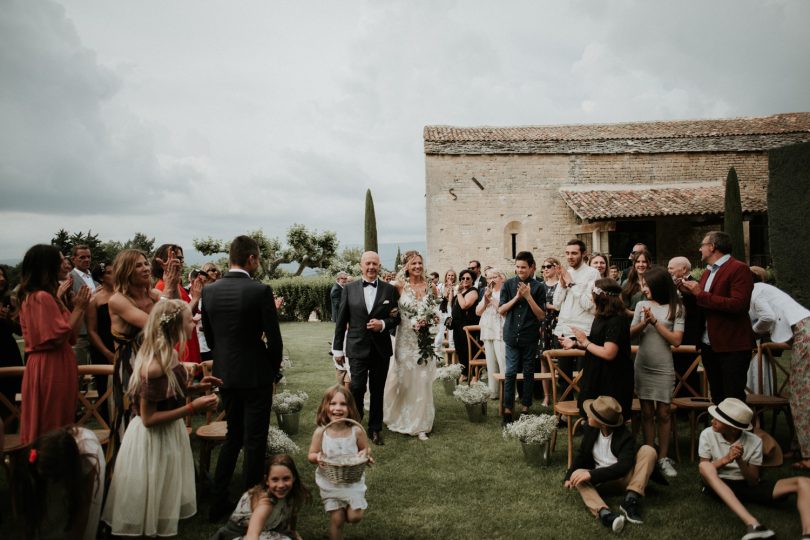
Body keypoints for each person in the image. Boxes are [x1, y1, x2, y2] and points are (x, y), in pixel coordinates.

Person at [102, 300, 220, 536]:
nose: (194, 322)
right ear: (175, 326)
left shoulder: (171, 353)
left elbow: (169, 393)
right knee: (150, 497)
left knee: (163, 492)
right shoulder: (154, 366)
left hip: (168, 432)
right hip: (152, 438)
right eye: (190, 319)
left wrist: (195, 389)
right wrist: (192, 408)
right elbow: (148, 418)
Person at [202, 235, 284, 521]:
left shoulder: (209, 292)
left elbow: (211, 339)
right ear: (251, 259)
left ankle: (218, 500)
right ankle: (251, 504)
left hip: (225, 375)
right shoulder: (260, 290)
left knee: (232, 436)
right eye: (258, 258)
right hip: (256, 375)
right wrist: (272, 370)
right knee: (255, 440)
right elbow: (274, 341)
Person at [698, 397, 810, 540]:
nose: (713, 421)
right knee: (704, 466)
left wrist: (740, 460)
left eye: (718, 420)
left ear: (732, 428)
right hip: (719, 482)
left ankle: (808, 534)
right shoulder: (707, 434)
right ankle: (754, 525)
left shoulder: (755, 441)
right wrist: (726, 459)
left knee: (804, 482)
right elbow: (704, 472)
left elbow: (753, 481)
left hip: (746, 485)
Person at [18, 244, 91, 444]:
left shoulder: (49, 297)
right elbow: (58, 336)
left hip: (60, 362)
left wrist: (77, 309)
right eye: (60, 260)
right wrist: (79, 308)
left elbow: (71, 335)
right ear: (47, 265)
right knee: (51, 419)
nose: (65, 264)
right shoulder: (40, 297)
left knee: (62, 416)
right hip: (49, 366)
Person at [108, 248, 180, 443]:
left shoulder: (155, 294)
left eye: (146, 263)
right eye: (138, 265)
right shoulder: (118, 300)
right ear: (126, 271)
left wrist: (173, 286)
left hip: (156, 361)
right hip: (131, 365)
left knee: (161, 408)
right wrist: (167, 292)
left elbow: (178, 316)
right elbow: (154, 324)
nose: (145, 268)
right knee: (134, 413)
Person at [332, 251, 399, 446]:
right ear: (361, 266)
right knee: (357, 387)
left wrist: (383, 324)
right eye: (368, 263)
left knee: (378, 390)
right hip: (356, 347)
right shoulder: (349, 289)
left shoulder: (389, 290)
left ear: (379, 266)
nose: (371, 267)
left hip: (381, 349)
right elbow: (341, 321)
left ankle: (375, 429)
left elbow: (395, 317)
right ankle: (355, 425)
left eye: (375, 264)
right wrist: (338, 350)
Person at [564, 396, 659, 533]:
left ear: (603, 423)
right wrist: (569, 477)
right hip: (603, 483)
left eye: (591, 414)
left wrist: (591, 474)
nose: (587, 416)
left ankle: (630, 499)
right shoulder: (591, 430)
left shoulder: (625, 437)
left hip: (626, 479)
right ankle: (605, 514)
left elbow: (622, 468)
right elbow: (582, 454)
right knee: (577, 475)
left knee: (648, 450)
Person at [679, 231, 754, 404]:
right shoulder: (707, 272)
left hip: (732, 345)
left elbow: (739, 305)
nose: (700, 249)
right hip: (709, 344)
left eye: (703, 245)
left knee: (733, 397)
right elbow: (705, 303)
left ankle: (735, 430)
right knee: (717, 395)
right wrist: (691, 294)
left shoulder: (739, 268)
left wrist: (700, 294)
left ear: (712, 247)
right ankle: (717, 429)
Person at [748, 266, 810, 471]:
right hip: (803, 332)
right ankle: (798, 446)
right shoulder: (761, 290)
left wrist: (752, 334)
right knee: (798, 394)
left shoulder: (755, 292)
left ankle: (808, 455)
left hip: (804, 335)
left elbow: (767, 318)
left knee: (802, 397)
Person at [629, 266, 684, 478]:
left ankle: (663, 457)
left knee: (663, 413)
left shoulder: (676, 307)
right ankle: (648, 454)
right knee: (647, 413)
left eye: (647, 285)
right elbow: (631, 335)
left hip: (663, 367)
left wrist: (655, 323)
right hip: (643, 365)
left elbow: (677, 341)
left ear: (659, 285)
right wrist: (644, 322)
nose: (644, 289)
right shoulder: (642, 305)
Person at [383, 251, 440, 440]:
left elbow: (434, 311)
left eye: (419, 263)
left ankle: (421, 424)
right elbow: (387, 307)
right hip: (404, 339)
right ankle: (399, 415)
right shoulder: (398, 286)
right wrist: (390, 313)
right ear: (406, 266)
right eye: (413, 263)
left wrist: (431, 320)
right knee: (404, 380)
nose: (417, 266)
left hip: (422, 341)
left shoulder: (430, 287)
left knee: (422, 381)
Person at [561, 278, 633, 421]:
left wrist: (585, 342)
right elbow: (597, 343)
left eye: (592, 293)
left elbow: (609, 353)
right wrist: (576, 343)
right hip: (597, 373)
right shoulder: (601, 316)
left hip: (611, 377)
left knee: (607, 418)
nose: (591, 297)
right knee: (593, 417)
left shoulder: (616, 320)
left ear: (601, 297)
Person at [16, 426, 105, 540]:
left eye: (54, 478)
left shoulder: (87, 459)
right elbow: (24, 510)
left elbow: (83, 510)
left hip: (79, 467)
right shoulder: (30, 459)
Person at [308, 386, 373, 540]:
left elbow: (366, 449)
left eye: (343, 404)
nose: (337, 408)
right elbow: (311, 454)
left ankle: (346, 510)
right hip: (330, 481)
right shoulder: (321, 432)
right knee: (337, 519)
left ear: (350, 407)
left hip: (352, 481)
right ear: (325, 406)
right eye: (333, 403)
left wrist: (366, 454)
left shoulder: (356, 431)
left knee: (354, 517)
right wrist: (317, 457)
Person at [211, 454, 310, 540]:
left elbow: (292, 514)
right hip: (240, 534)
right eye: (275, 479)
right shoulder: (265, 502)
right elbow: (252, 534)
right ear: (267, 480)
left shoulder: (292, 494)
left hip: (267, 530)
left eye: (286, 478)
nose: (281, 485)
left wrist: (293, 533)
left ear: (294, 478)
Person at [499, 251, 546, 424]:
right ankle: (508, 410)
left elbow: (541, 316)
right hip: (511, 335)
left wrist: (528, 297)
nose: (520, 270)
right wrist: (517, 297)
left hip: (529, 336)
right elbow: (500, 310)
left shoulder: (539, 287)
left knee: (528, 372)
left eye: (523, 267)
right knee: (510, 372)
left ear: (532, 267)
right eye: (517, 267)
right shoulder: (508, 285)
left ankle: (526, 408)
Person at [553, 239, 601, 395]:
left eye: (574, 253)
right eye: (567, 253)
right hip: (563, 330)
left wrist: (571, 284)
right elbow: (556, 304)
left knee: (583, 377)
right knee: (563, 377)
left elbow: (589, 304)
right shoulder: (568, 273)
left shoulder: (593, 273)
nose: (570, 257)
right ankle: (563, 417)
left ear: (583, 254)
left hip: (583, 332)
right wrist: (561, 283)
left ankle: (584, 413)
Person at [153, 244, 202, 363]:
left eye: (181, 259)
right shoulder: (162, 286)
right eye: (177, 259)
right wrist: (195, 298)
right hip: (179, 346)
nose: (180, 263)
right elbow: (176, 316)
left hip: (189, 341)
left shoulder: (177, 285)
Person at [85, 260, 115, 425]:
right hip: (103, 348)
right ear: (102, 277)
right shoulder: (95, 299)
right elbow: (92, 331)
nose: (115, 274)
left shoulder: (124, 294)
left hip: (123, 344)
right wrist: (107, 353)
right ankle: (108, 423)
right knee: (105, 388)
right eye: (110, 272)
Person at [476, 267, 506, 400]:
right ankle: (493, 391)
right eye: (489, 277)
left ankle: (508, 391)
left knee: (503, 361)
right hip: (488, 328)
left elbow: (502, 310)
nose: (492, 280)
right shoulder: (485, 292)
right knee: (490, 362)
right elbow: (478, 312)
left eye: (494, 277)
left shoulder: (505, 291)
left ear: (501, 278)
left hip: (500, 329)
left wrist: (491, 299)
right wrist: (485, 299)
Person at [538, 257, 561, 406]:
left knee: (559, 359)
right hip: (543, 324)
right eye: (543, 266)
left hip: (558, 324)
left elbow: (563, 305)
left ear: (556, 267)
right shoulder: (540, 286)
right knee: (543, 359)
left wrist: (549, 306)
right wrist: (551, 306)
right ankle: (547, 396)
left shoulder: (561, 285)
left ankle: (560, 394)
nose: (545, 269)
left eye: (548, 266)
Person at [450, 268, 480, 383]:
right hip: (457, 325)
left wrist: (458, 293)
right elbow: (452, 304)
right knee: (460, 350)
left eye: (468, 278)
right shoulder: (461, 291)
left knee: (469, 350)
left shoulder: (473, 291)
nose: (465, 280)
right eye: (463, 278)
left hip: (467, 325)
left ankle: (474, 375)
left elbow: (464, 305)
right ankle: (465, 372)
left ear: (472, 280)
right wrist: (454, 293)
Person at [70, 244, 97, 366]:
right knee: (80, 370)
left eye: (88, 257)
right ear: (73, 259)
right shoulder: (70, 278)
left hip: (96, 330)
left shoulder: (94, 276)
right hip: (81, 331)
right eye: (82, 257)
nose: (86, 260)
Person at [0, 265, 23, 407]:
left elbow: (21, 331)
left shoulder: (10, 300)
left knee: (11, 397)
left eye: (3, 275)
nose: (1, 279)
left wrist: (8, 319)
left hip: (7, 352)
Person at [621, 249, 651, 318]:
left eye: (644, 262)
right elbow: (624, 309)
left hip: (653, 321)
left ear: (649, 263)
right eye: (638, 262)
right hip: (633, 322)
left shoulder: (655, 281)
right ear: (634, 264)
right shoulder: (627, 283)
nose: (641, 264)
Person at [434, 269, 457, 350]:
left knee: (451, 334)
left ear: (455, 277)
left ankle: (453, 358)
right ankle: (437, 352)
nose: (450, 277)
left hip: (451, 310)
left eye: (452, 275)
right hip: (442, 310)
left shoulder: (456, 287)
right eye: (449, 275)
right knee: (439, 333)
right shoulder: (440, 286)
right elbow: (439, 298)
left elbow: (450, 301)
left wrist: (451, 289)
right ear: (446, 276)